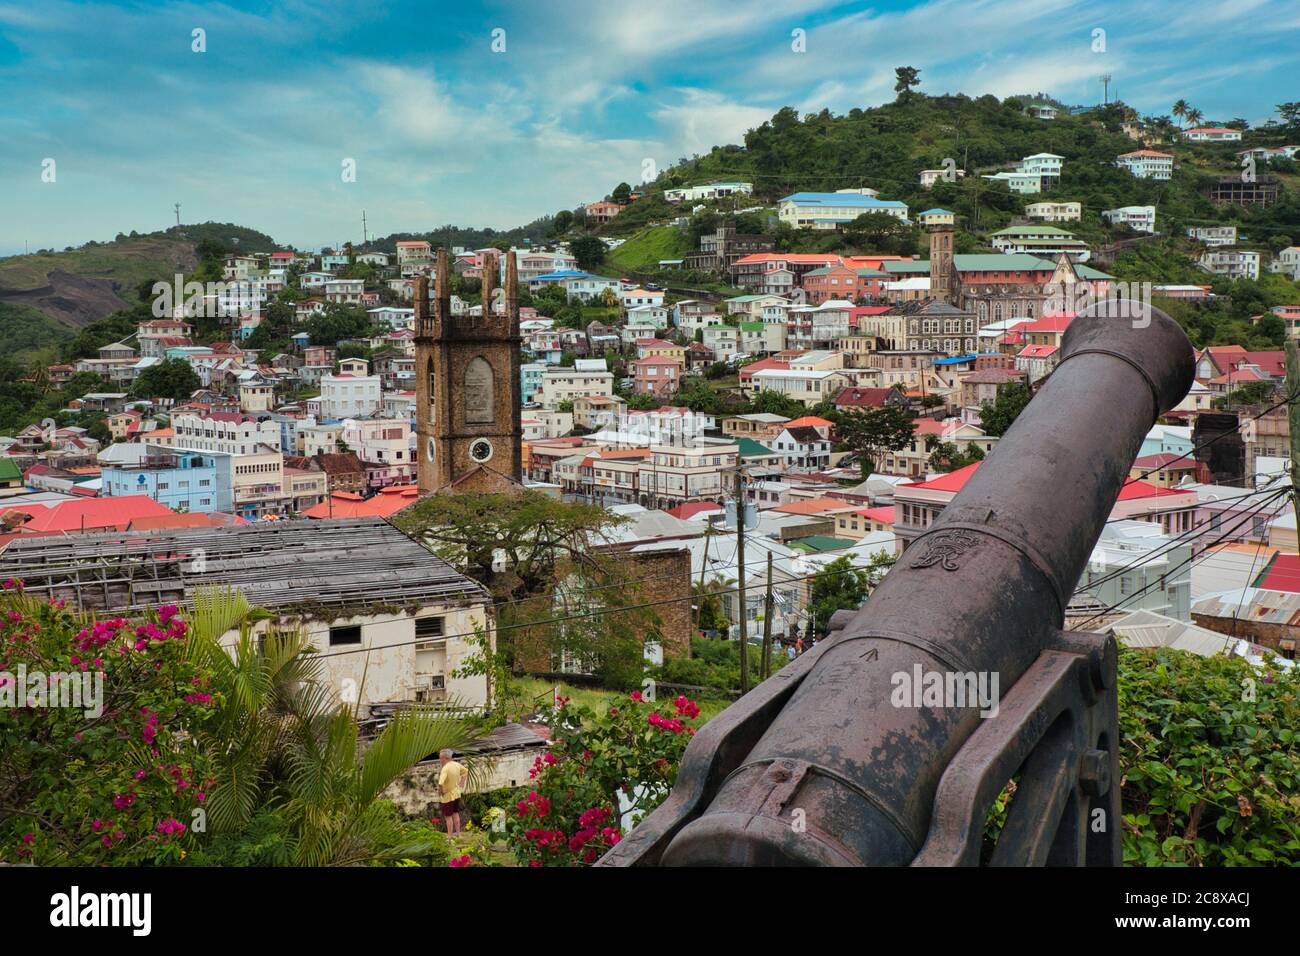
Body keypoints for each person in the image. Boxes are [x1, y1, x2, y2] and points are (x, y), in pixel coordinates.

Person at [437, 749, 468, 835]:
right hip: (457, 793)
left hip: (448, 796)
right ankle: (458, 833)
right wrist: (462, 782)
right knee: (455, 813)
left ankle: (449, 837)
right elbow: (466, 771)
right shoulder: (456, 764)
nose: (440, 760)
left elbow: (440, 783)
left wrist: (441, 792)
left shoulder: (445, 769)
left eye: (440, 758)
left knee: (448, 817)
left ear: (444, 758)